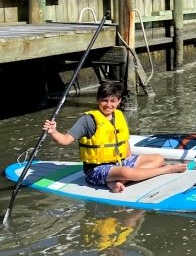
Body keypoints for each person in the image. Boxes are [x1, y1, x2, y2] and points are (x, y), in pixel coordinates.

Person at [42, 80, 186, 192]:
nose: (108, 105)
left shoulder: (118, 115)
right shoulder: (88, 120)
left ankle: (119, 181)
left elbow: (124, 141)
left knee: (158, 158)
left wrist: (129, 158)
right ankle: (166, 169)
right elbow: (66, 140)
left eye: (112, 101)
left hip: (119, 162)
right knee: (128, 171)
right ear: (98, 99)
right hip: (96, 170)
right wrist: (54, 132)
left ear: (119, 101)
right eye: (104, 100)